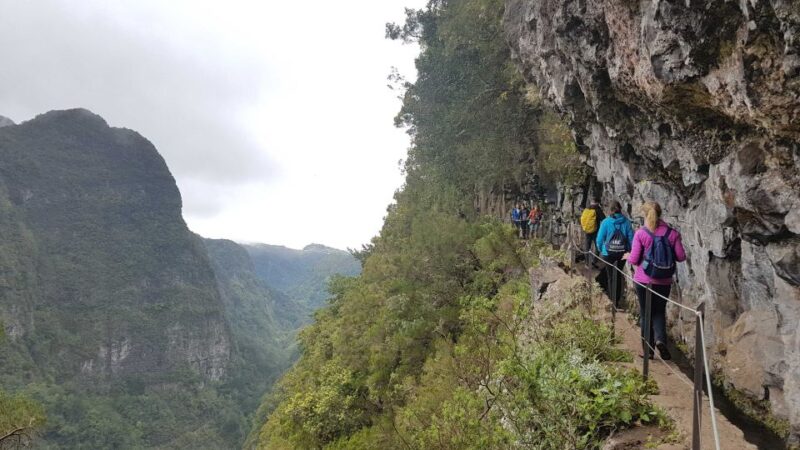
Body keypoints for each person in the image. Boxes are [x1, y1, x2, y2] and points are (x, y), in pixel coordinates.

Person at [626, 201, 686, 360]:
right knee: (659, 311)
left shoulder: (641, 234)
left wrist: (628, 256)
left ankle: (648, 351)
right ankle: (661, 340)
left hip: (644, 280)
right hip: (664, 281)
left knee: (646, 314)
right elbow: (681, 257)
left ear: (645, 215)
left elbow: (633, 259)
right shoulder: (672, 234)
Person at [595, 201, 634, 305]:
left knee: (610, 276)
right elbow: (631, 239)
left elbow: (599, 239)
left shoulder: (606, 222)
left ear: (610, 210)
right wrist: (628, 250)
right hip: (622, 254)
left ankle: (611, 301)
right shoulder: (627, 222)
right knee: (618, 275)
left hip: (608, 254)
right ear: (620, 209)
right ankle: (616, 300)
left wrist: (600, 249)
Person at [579, 198, 605, 267]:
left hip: (587, 231)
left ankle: (587, 263)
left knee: (587, 246)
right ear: (597, 202)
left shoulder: (587, 209)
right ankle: (594, 261)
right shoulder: (598, 210)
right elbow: (604, 219)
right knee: (598, 246)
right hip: (595, 231)